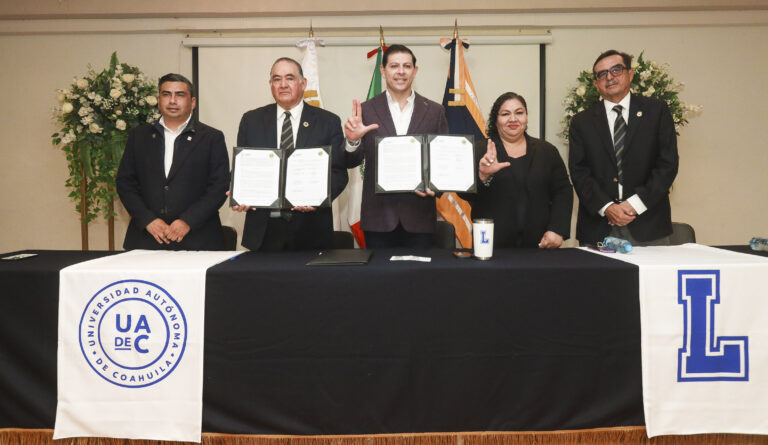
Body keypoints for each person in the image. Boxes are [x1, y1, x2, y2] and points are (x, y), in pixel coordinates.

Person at [234, 57, 348, 251]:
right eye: (277, 79)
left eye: (290, 78)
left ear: (303, 83)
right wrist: (239, 191)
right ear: (271, 85)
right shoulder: (251, 120)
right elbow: (243, 169)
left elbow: (338, 173)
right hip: (264, 232)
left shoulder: (327, 121)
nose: (283, 85)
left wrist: (318, 198)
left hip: (312, 230)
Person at [568, 49, 679, 246]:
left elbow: (667, 165)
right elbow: (579, 172)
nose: (609, 77)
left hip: (649, 224)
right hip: (598, 226)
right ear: (595, 84)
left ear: (630, 74)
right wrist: (608, 206)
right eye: (602, 74)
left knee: (653, 278)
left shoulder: (656, 111)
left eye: (616, 70)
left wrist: (634, 205)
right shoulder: (581, 122)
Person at [343, 44, 449, 248]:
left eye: (407, 66)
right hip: (378, 219)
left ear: (415, 71)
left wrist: (436, 188)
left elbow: (442, 159)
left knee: (418, 279)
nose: (401, 71)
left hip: (419, 218)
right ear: (383, 71)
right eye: (394, 66)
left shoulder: (435, 111)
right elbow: (350, 161)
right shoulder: (365, 110)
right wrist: (353, 140)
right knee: (379, 279)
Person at [116, 73, 230, 250]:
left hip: (198, 238)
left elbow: (219, 186)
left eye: (180, 95)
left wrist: (187, 221)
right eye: (166, 94)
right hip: (147, 238)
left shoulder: (211, 138)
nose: (172, 100)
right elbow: (125, 183)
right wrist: (148, 220)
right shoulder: (139, 136)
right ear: (158, 100)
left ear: (192, 102)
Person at [469, 92, 573, 248]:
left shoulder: (546, 151)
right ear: (496, 120)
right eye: (505, 114)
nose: (513, 119)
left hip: (540, 244)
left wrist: (557, 230)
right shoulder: (479, 150)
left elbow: (563, 191)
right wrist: (483, 176)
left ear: (526, 117)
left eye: (519, 112)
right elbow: (463, 194)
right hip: (491, 244)